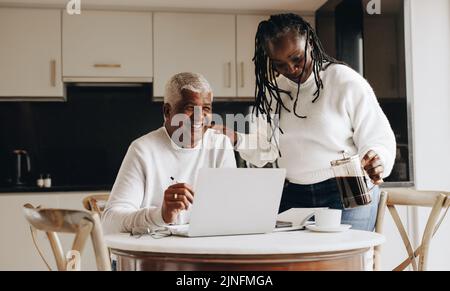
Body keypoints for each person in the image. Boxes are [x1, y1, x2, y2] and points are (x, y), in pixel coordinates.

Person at [215, 13, 396, 231]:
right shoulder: (274, 93)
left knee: (344, 262)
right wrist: (235, 138)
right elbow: (267, 149)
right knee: (292, 262)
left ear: (310, 42)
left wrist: (377, 159)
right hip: (293, 194)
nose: (290, 69)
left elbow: (377, 136)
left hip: (346, 189)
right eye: (279, 64)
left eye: (297, 59)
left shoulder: (343, 81)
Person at [102, 72, 236, 234]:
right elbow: (110, 222)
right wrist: (161, 214)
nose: (199, 117)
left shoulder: (220, 145)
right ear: (167, 111)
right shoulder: (143, 150)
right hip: (155, 254)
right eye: (189, 108)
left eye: (206, 109)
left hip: (206, 250)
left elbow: (229, 209)